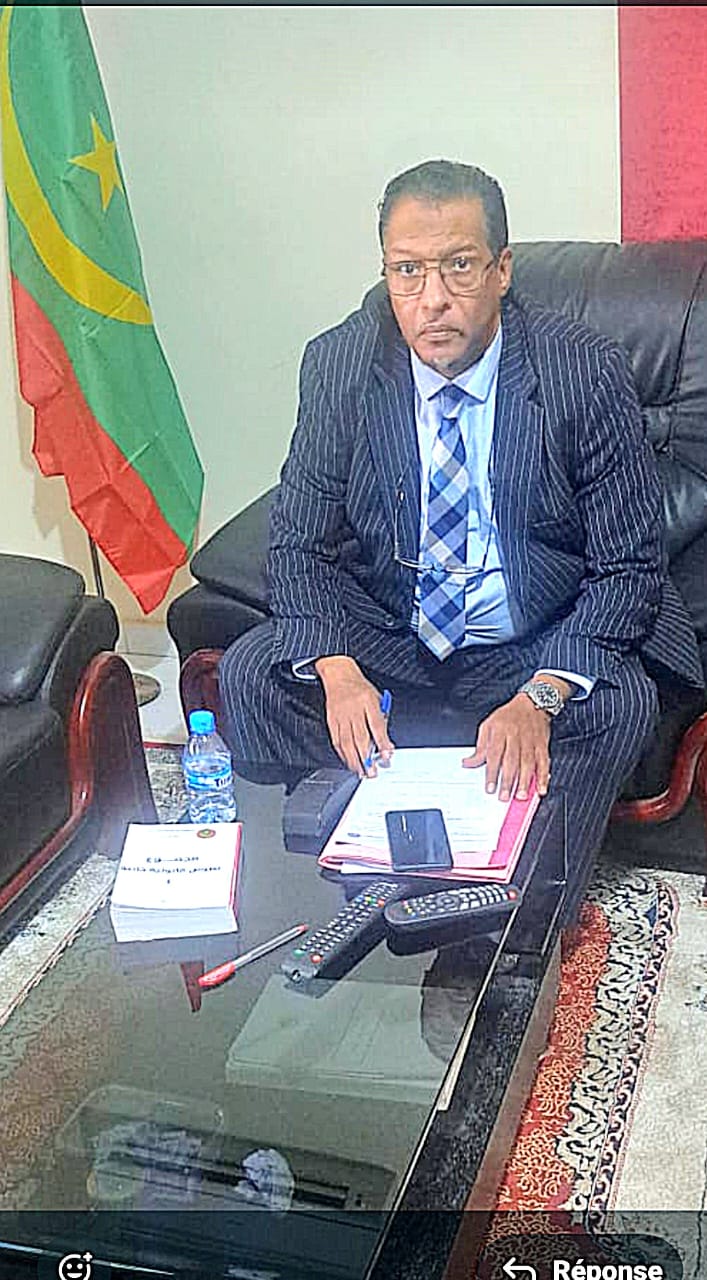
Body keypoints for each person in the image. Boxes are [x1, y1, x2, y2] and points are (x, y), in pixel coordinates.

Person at [219, 159, 702, 924]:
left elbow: (626, 566)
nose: (432, 299)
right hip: (390, 633)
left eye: (459, 266)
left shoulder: (581, 371)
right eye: (407, 271)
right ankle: (333, 889)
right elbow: (299, 543)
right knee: (253, 672)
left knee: (616, 704)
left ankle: (519, 917)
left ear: (501, 270)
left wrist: (539, 695)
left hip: (530, 635)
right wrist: (337, 671)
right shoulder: (340, 363)